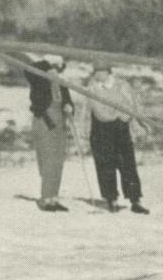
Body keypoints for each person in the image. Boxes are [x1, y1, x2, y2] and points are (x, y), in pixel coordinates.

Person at [84, 62, 150, 214]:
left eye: (99, 71)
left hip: (120, 129)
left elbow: (133, 105)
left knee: (127, 164)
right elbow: (94, 112)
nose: (96, 75)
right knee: (105, 164)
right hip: (100, 130)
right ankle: (111, 199)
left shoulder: (121, 85)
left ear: (107, 71)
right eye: (95, 71)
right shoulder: (92, 87)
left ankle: (135, 200)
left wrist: (139, 122)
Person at [24, 54, 74, 212]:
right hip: (45, 121)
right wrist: (47, 63)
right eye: (55, 67)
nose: (57, 70)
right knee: (48, 159)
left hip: (59, 121)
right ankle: (45, 198)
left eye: (58, 68)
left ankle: (53, 197)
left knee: (58, 160)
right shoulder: (39, 79)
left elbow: (67, 99)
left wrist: (69, 106)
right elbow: (29, 71)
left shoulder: (60, 81)